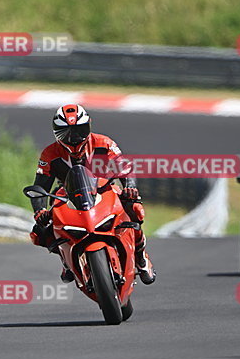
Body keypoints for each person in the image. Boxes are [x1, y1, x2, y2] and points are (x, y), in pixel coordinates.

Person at [29, 104, 156, 285]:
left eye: (79, 130)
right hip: (68, 199)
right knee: (41, 232)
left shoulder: (104, 143)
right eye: (66, 133)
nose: (73, 138)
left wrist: (130, 187)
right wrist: (39, 211)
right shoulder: (49, 154)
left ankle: (141, 256)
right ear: (56, 134)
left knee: (134, 208)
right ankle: (67, 260)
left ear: (89, 126)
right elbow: (40, 185)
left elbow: (124, 167)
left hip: (104, 191)